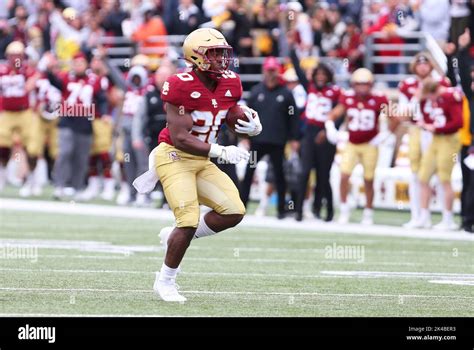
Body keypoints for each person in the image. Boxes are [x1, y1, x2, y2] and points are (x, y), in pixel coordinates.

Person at [135, 28, 262, 302]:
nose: (220, 59)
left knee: (234, 211)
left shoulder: (231, 82)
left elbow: (227, 114)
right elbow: (180, 138)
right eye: (214, 53)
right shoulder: (180, 84)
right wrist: (220, 151)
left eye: (222, 53)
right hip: (173, 157)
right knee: (189, 220)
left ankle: (175, 236)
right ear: (196, 55)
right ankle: (165, 281)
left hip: (201, 159)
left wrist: (249, 126)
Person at [325, 68, 398, 225]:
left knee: (369, 179)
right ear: (353, 84)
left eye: (365, 84)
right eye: (359, 84)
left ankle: (368, 212)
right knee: (344, 176)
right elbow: (332, 115)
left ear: (370, 85)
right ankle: (344, 210)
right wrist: (331, 128)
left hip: (370, 144)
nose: (362, 88)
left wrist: (383, 136)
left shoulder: (378, 99)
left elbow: (395, 119)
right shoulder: (348, 98)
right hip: (352, 143)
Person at [239, 56, 298, 219]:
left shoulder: (286, 94)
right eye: (268, 70)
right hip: (256, 142)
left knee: (280, 175)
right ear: (264, 71)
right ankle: (241, 206)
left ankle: (281, 209)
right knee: (249, 172)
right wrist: (244, 135)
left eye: (273, 70)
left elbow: (293, 117)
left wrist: (294, 139)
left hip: (277, 142)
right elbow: (246, 115)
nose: (271, 73)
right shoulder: (257, 91)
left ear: (277, 71)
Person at [398, 52, 451, 228]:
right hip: (416, 130)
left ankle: (446, 217)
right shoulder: (407, 85)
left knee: (441, 174)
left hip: (438, 132)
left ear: (431, 65)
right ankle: (419, 215)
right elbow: (404, 114)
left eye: (426, 63)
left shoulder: (442, 82)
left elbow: (450, 107)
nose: (422, 67)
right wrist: (418, 97)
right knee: (416, 174)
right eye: (419, 64)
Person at [414, 78, 463, 230]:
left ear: (434, 91)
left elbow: (458, 123)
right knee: (423, 176)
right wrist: (428, 125)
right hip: (436, 139)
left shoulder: (449, 96)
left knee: (444, 178)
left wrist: (436, 128)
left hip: (449, 139)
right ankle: (424, 217)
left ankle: (448, 219)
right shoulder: (438, 98)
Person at [0, 41, 39, 193]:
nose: (15, 58)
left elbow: (35, 77)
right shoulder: (3, 71)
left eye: (18, 55)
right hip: (7, 113)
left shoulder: (27, 71)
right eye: (12, 55)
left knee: (31, 148)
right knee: (2, 147)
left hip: (25, 113)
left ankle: (31, 181)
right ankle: (2, 178)